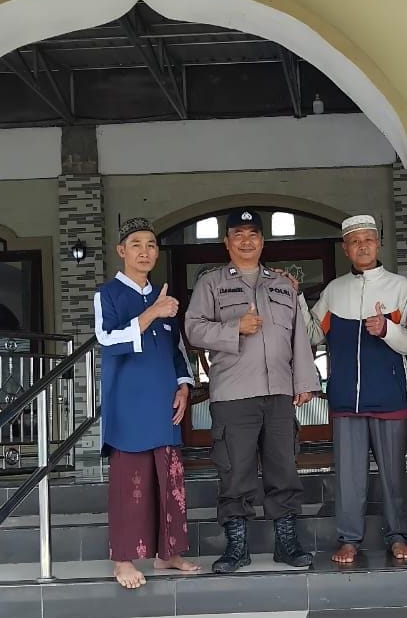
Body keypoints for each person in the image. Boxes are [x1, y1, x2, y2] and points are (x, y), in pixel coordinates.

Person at [184, 208, 319, 573]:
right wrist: (233, 327)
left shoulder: (281, 284)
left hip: (278, 393)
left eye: (253, 234)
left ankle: (286, 543)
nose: (246, 241)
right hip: (232, 395)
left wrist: (305, 382)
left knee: (283, 469)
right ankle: (237, 546)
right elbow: (193, 330)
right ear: (227, 242)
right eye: (238, 234)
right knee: (235, 472)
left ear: (263, 241)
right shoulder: (211, 283)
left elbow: (299, 340)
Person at [286, 215, 407, 564]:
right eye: (355, 241)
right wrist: (298, 298)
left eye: (369, 240)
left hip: (389, 396)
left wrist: (387, 329)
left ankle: (398, 536)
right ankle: (349, 540)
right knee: (348, 477)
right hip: (346, 398)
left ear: (379, 244)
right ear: (346, 248)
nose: (362, 246)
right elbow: (313, 334)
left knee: (394, 475)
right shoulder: (334, 290)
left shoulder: (399, 287)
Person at [94, 217, 200, 589]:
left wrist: (184, 386)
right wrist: (152, 312)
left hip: (164, 405)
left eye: (151, 244)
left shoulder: (166, 296)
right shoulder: (108, 295)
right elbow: (107, 340)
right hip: (128, 406)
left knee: (168, 480)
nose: (144, 251)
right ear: (122, 251)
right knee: (130, 485)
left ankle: (167, 553)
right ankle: (122, 560)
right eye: (136, 244)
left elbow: (177, 352)